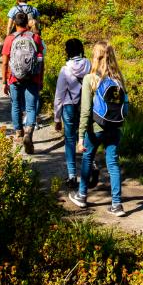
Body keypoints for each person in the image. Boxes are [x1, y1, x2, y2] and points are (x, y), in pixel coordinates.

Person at [69, 40, 127, 217]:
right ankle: (117, 204)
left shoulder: (90, 79)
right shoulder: (119, 79)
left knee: (87, 158)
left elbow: (85, 110)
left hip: (96, 128)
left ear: (96, 56)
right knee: (113, 164)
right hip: (115, 127)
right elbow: (126, 106)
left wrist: (80, 136)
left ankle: (82, 195)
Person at [1, 11, 43, 154]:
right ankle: (29, 133)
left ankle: (19, 133)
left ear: (15, 23)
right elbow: (41, 61)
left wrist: (4, 81)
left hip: (14, 78)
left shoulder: (9, 39)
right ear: (27, 22)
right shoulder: (36, 38)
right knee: (31, 108)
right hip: (33, 78)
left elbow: (5, 62)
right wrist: (40, 79)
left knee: (16, 106)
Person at [54, 38, 90, 190]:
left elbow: (59, 95)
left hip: (69, 107)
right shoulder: (89, 64)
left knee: (70, 140)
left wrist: (57, 117)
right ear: (81, 49)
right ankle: (91, 167)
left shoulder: (65, 69)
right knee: (87, 136)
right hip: (87, 105)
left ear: (67, 51)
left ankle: (72, 176)